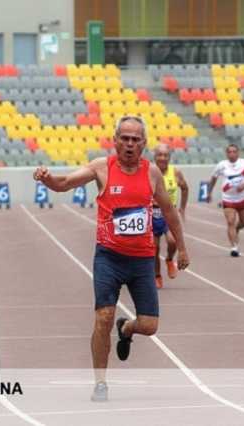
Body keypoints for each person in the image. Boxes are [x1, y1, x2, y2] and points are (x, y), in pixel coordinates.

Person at [33, 116, 190, 402]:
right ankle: (101, 382)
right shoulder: (101, 167)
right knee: (103, 317)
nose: (130, 144)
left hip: (142, 260)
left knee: (149, 326)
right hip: (109, 258)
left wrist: (182, 247)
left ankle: (127, 328)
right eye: (125, 138)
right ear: (115, 140)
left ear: (144, 143)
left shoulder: (152, 172)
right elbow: (65, 182)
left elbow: (169, 211)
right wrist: (48, 179)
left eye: (135, 139)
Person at [206, 144, 244, 257]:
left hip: (242, 199)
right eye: (229, 152)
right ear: (226, 153)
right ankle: (234, 247)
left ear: (238, 153)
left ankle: (237, 229)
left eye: (234, 151)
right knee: (230, 222)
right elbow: (213, 178)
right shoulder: (222, 165)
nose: (232, 154)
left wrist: (243, 186)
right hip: (228, 199)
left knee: (243, 223)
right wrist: (209, 193)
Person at [152, 144, 188, 288]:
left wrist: (182, 208)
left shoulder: (176, 172)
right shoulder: (149, 171)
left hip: (169, 213)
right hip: (152, 213)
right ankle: (157, 275)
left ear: (169, 157)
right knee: (154, 249)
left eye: (165, 155)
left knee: (173, 241)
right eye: (159, 155)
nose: (162, 158)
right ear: (154, 157)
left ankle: (169, 259)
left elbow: (185, 188)